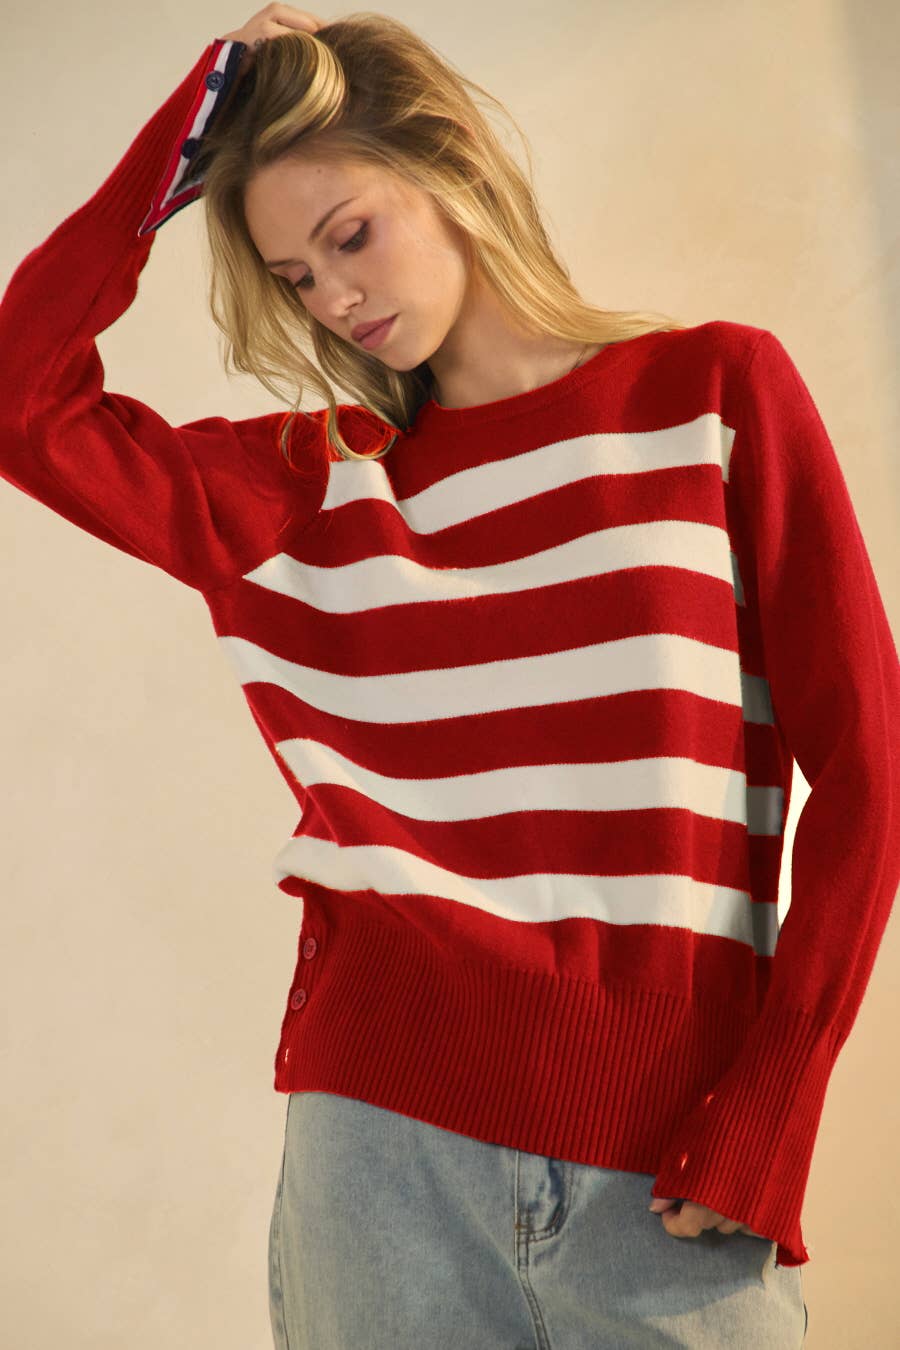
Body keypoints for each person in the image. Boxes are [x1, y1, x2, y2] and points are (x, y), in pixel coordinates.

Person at [3, 7, 898, 1346]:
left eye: (351, 235)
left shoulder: (710, 395)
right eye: (295, 275)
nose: (334, 296)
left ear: (452, 167)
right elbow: (21, 401)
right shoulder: (304, 489)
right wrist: (190, 131)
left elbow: (872, 769)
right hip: (379, 1163)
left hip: (672, 1167)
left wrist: (774, 1104)